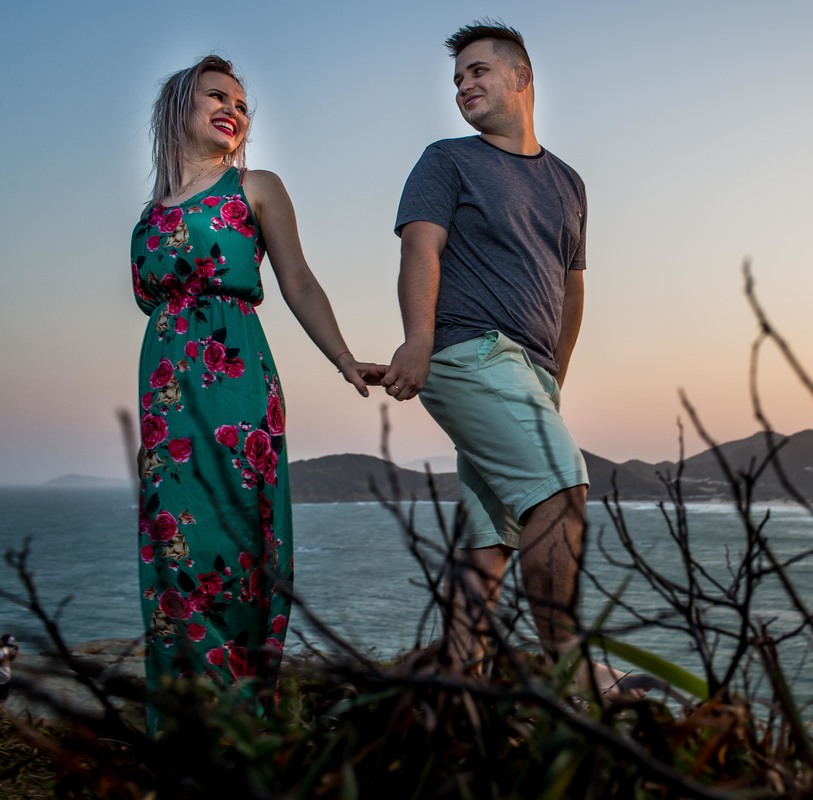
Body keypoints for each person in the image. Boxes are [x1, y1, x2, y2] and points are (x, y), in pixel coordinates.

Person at [131, 55, 382, 732]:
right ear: (178, 108)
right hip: (165, 397)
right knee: (173, 547)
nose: (232, 110)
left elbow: (298, 280)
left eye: (241, 104)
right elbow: (153, 309)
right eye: (217, 96)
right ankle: (182, 726)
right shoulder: (149, 215)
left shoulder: (255, 187)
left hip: (236, 378)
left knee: (239, 539)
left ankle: (241, 723)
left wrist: (343, 358)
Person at [383, 21, 605, 686]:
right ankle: (570, 672)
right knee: (560, 488)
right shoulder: (447, 160)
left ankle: (459, 683)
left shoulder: (569, 183)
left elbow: (571, 286)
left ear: (521, 77)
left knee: (490, 541)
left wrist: (555, 377)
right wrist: (418, 340)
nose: (463, 86)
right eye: (458, 78)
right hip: (470, 352)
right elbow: (420, 248)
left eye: (478, 71)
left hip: (531, 372)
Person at [0, 634, 17, 703]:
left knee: (2, 700)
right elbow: (2, 661)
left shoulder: (5, 649)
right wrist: (6, 657)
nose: (5, 645)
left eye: (7, 645)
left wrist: (15, 652)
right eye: (5, 644)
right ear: (1, 640)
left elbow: (9, 659)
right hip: (2, 677)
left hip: (6, 678)